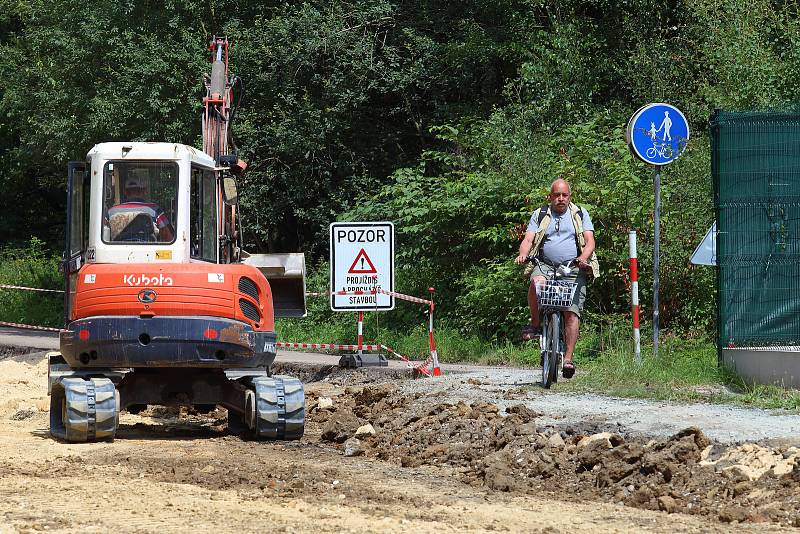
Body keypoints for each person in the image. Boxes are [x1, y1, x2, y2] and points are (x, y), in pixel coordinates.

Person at [514, 178, 598, 378]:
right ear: (550, 196)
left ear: (569, 196)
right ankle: (535, 325)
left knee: (571, 312)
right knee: (536, 284)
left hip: (572, 267)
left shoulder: (579, 213)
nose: (560, 199)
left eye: (564, 195)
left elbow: (590, 241)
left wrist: (582, 259)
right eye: (556, 195)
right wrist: (523, 254)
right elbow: (528, 239)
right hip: (544, 265)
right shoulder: (541, 214)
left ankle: (567, 359)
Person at [108, 176, 174, 242]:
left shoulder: (112, 211)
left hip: (118, 250)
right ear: (143, 191)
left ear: (125, 192)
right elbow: (167, 236)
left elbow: (105, 234)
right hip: (148, 250)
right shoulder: (155, 209)